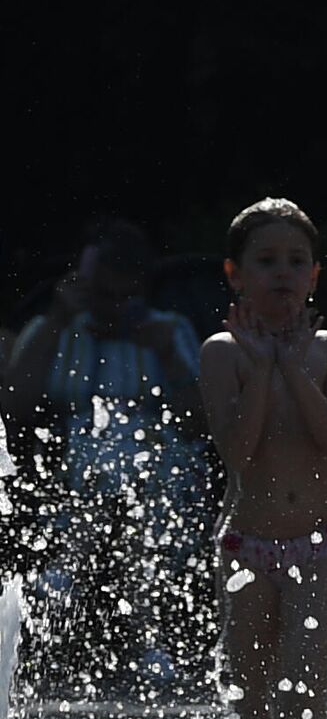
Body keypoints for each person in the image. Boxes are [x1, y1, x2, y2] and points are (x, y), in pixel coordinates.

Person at [198, 198, 327, 719]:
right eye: (266, 262)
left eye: (296, 261)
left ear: (315, 275)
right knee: (251, 696)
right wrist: (263, 366)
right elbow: (240, 448)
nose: (282, 274)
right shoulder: (221, 353)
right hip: (248, 547)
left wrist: (293, 366)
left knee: (307, 689)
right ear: (236, 275)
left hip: (322, 543)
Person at [0, 219, 208, 685]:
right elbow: (12, 407)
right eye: (99, 294)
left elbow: (201, 424)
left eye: (121, 297)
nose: (111, 309)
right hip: (72, 475)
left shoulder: (169, 331)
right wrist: (56, 322)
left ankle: (101, 611)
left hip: (156, 473)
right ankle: (125, 638)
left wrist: (170, 359)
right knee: (103, 473)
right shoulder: (54, 327)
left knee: (131, 474)